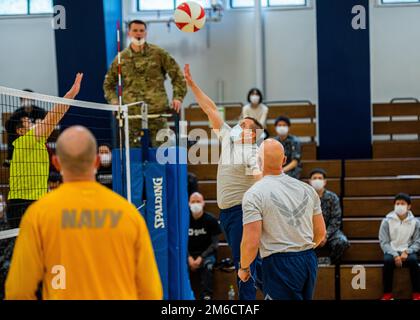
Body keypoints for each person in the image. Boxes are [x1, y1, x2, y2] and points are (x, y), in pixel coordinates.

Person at [5, 126, 163, 300]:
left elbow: (18, 291)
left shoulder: (38, 214)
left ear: (56, 163)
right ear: (96, 162)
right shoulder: (128, 213)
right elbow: (151, 291)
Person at [184, 64, 263, 300]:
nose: (239, 125)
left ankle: (253, 300)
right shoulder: (229, 138)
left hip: (242, 212)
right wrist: (192, 85)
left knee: (245, 262)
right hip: (227, 214)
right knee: (249, 261)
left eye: (245, 125)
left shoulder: (250, 151)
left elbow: (259, 178)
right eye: (240, 122)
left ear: (251, 134)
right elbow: (209, 108)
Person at [239, 139, 326, 300]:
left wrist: (244, 268)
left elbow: (251, 241)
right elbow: (320, 233)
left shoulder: (254, 194)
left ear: (259, 161)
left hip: (279, 263)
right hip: (308, 260)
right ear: (284, 160)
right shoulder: (308, 189)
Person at [6, 74, 83, 229]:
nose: (33, 122)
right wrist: (70, 95)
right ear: (20, 131)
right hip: (22, 204)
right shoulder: (24, 141)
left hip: (35, 201)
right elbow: (51, 119)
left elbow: (50, 122)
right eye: (28, 122)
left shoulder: (37, 142)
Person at [103, 20, 187, 147]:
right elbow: (108, 84)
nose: (138, 34)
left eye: (141, 31)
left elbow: (178, 76)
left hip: (157, 114)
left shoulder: (159, 54)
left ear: (146, 33)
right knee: (133, 158)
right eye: (135, 30)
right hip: (132, 116)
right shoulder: (121, 58)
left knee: (162, 154)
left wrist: (177, 97)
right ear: (129, 33)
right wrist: (115, 102)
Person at [379, 193, 420, 301]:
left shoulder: (415, 222)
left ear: (409, 206)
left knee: (414, 261)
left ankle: (416, 293)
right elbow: (384, 242)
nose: (400, 206)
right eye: (397, 203)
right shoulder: (386, 221)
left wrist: (408, 251)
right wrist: (394, 255)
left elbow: (417, 241)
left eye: (402, 203)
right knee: (387, 262)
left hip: (407, 250)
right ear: (394, 205)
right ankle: (387, 294)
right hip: (392, 250)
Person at [309, 168, 350, 264]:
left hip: (330, 232)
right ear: (310, 181)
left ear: (325, 182)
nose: (317, 180)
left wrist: (325, 235)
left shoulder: (332, 197)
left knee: (342, 242)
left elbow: (336, 220)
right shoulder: (305, 198)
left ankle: (330, 263)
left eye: (320, 178)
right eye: (314, 178)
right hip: (311, 232)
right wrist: (316, 236)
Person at [188, 192, 222, 300]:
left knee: (208, 266)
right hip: (188, 255)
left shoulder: (211, 220)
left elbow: (215, 244)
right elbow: (180, 243)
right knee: (179, 266)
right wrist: (188, 257)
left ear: (203, 203)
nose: (195, 204)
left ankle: (207, 296)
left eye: (198, 201)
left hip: (206, 255)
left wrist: (201, 257)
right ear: (189, 203)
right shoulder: (184, 220)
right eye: (193, 202)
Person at [3, 89, 47, 168]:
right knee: (11, 135)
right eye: (24, 98)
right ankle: (10, 158)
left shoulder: (40, 111)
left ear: (33, 99)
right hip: (22, 138)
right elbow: (10, 127)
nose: (27, 100)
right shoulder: (18, 112)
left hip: (36, 136)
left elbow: (41, 126)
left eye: (29, 98)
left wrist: (31, 127)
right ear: (21, 100)